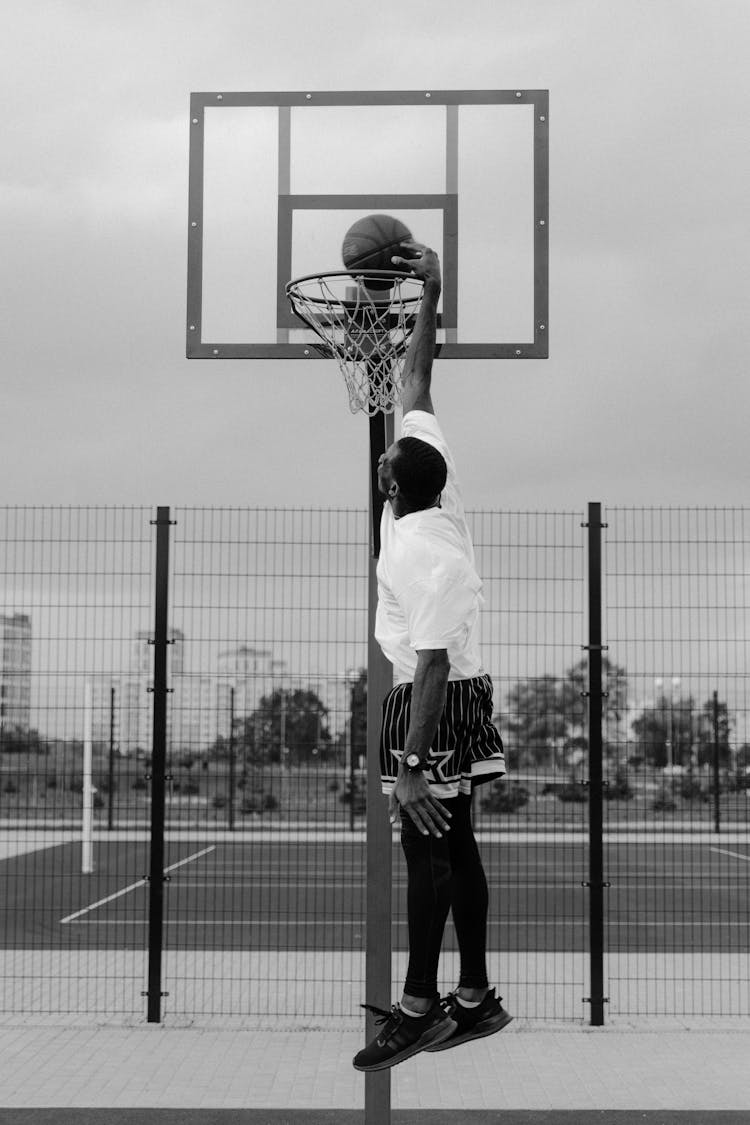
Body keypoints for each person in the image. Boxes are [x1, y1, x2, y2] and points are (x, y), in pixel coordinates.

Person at [352, 244, 512, 1073]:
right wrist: (431, 294)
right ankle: (476, 997)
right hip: (459, 687)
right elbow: (417, 382)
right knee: (461, 847)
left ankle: (419, 1006)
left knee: (426, 850)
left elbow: (435, 661)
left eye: (382, 462)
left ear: (389, 487)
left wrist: (411, 760)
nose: (382, 456)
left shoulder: (420, 555)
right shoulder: (436, 483)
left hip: (433, 696)